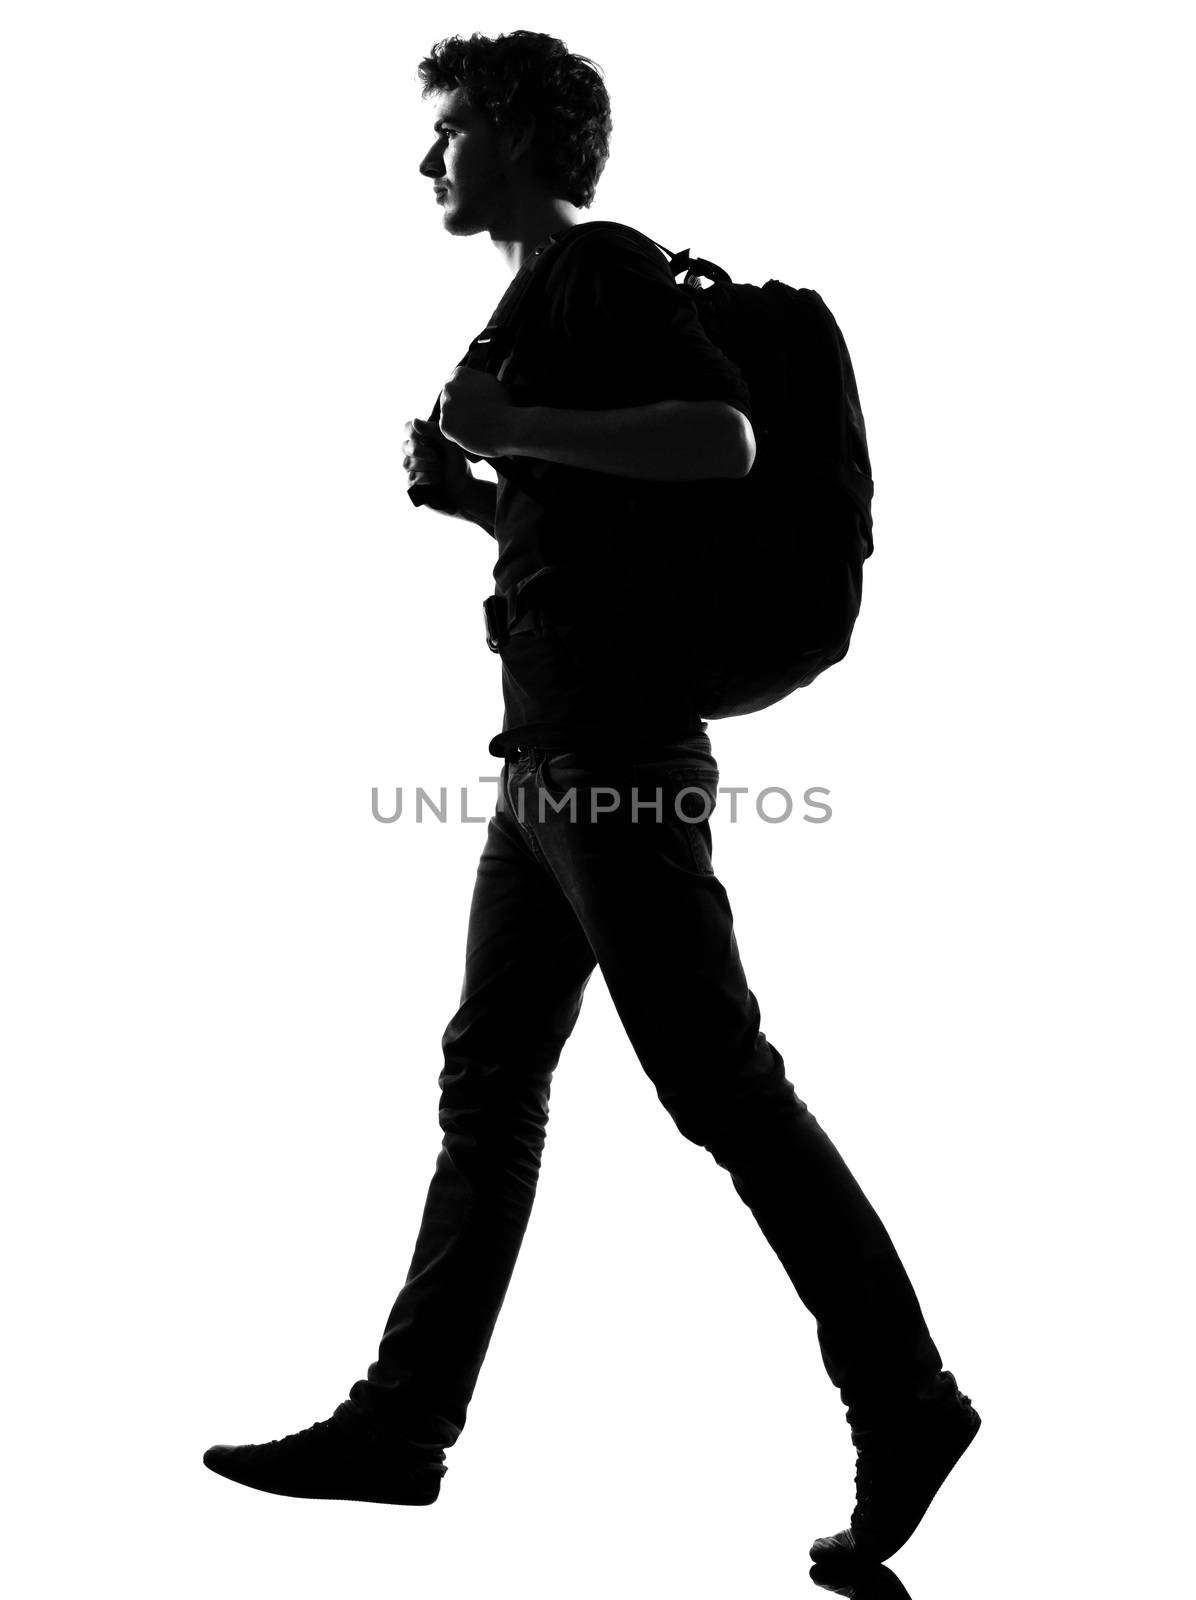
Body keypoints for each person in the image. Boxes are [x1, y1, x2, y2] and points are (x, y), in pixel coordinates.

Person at [203, 29, 980, 1569]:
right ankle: (402, 1425)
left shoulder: (597, 267)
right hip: (545, 769)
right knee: (489, 1088)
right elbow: (607, 542)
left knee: (717, 1083)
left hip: (616, 761)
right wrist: (476, 501)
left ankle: (906, 1398)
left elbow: (723, 439)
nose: (425, 165)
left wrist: (516, 433)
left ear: (513, 131)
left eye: (443, 135)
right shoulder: (542, 302)